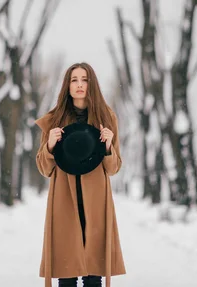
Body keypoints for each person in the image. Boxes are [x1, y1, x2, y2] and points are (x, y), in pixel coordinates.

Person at [35, 62, 126, 287]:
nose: (79, 85)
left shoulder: (107, 118)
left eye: (84, 79)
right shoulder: (53, 120)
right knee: (66, 271)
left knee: (94, 273)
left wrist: (108, 146)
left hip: (96, 200)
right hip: (64, 199)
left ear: (91, 83)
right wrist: (50, 145)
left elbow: (114, 168)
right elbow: (44, 168)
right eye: (74, 80)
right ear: (67, 85)